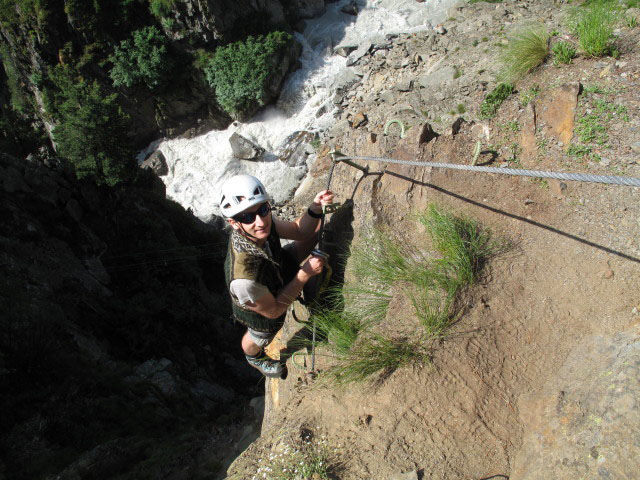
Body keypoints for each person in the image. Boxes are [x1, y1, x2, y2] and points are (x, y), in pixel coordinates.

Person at [219, 174, 334, 378]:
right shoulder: (243, 278)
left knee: (316, 233)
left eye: (263, 210)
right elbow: (273, 310)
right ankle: (254, 358)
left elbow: (299, 231)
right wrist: (304, 274)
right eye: (248, 217)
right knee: (260, 335)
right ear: (234, 223)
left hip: (275, 266)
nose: (260, 221)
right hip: (259, 305)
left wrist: (315, 209)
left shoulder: (262, 224)